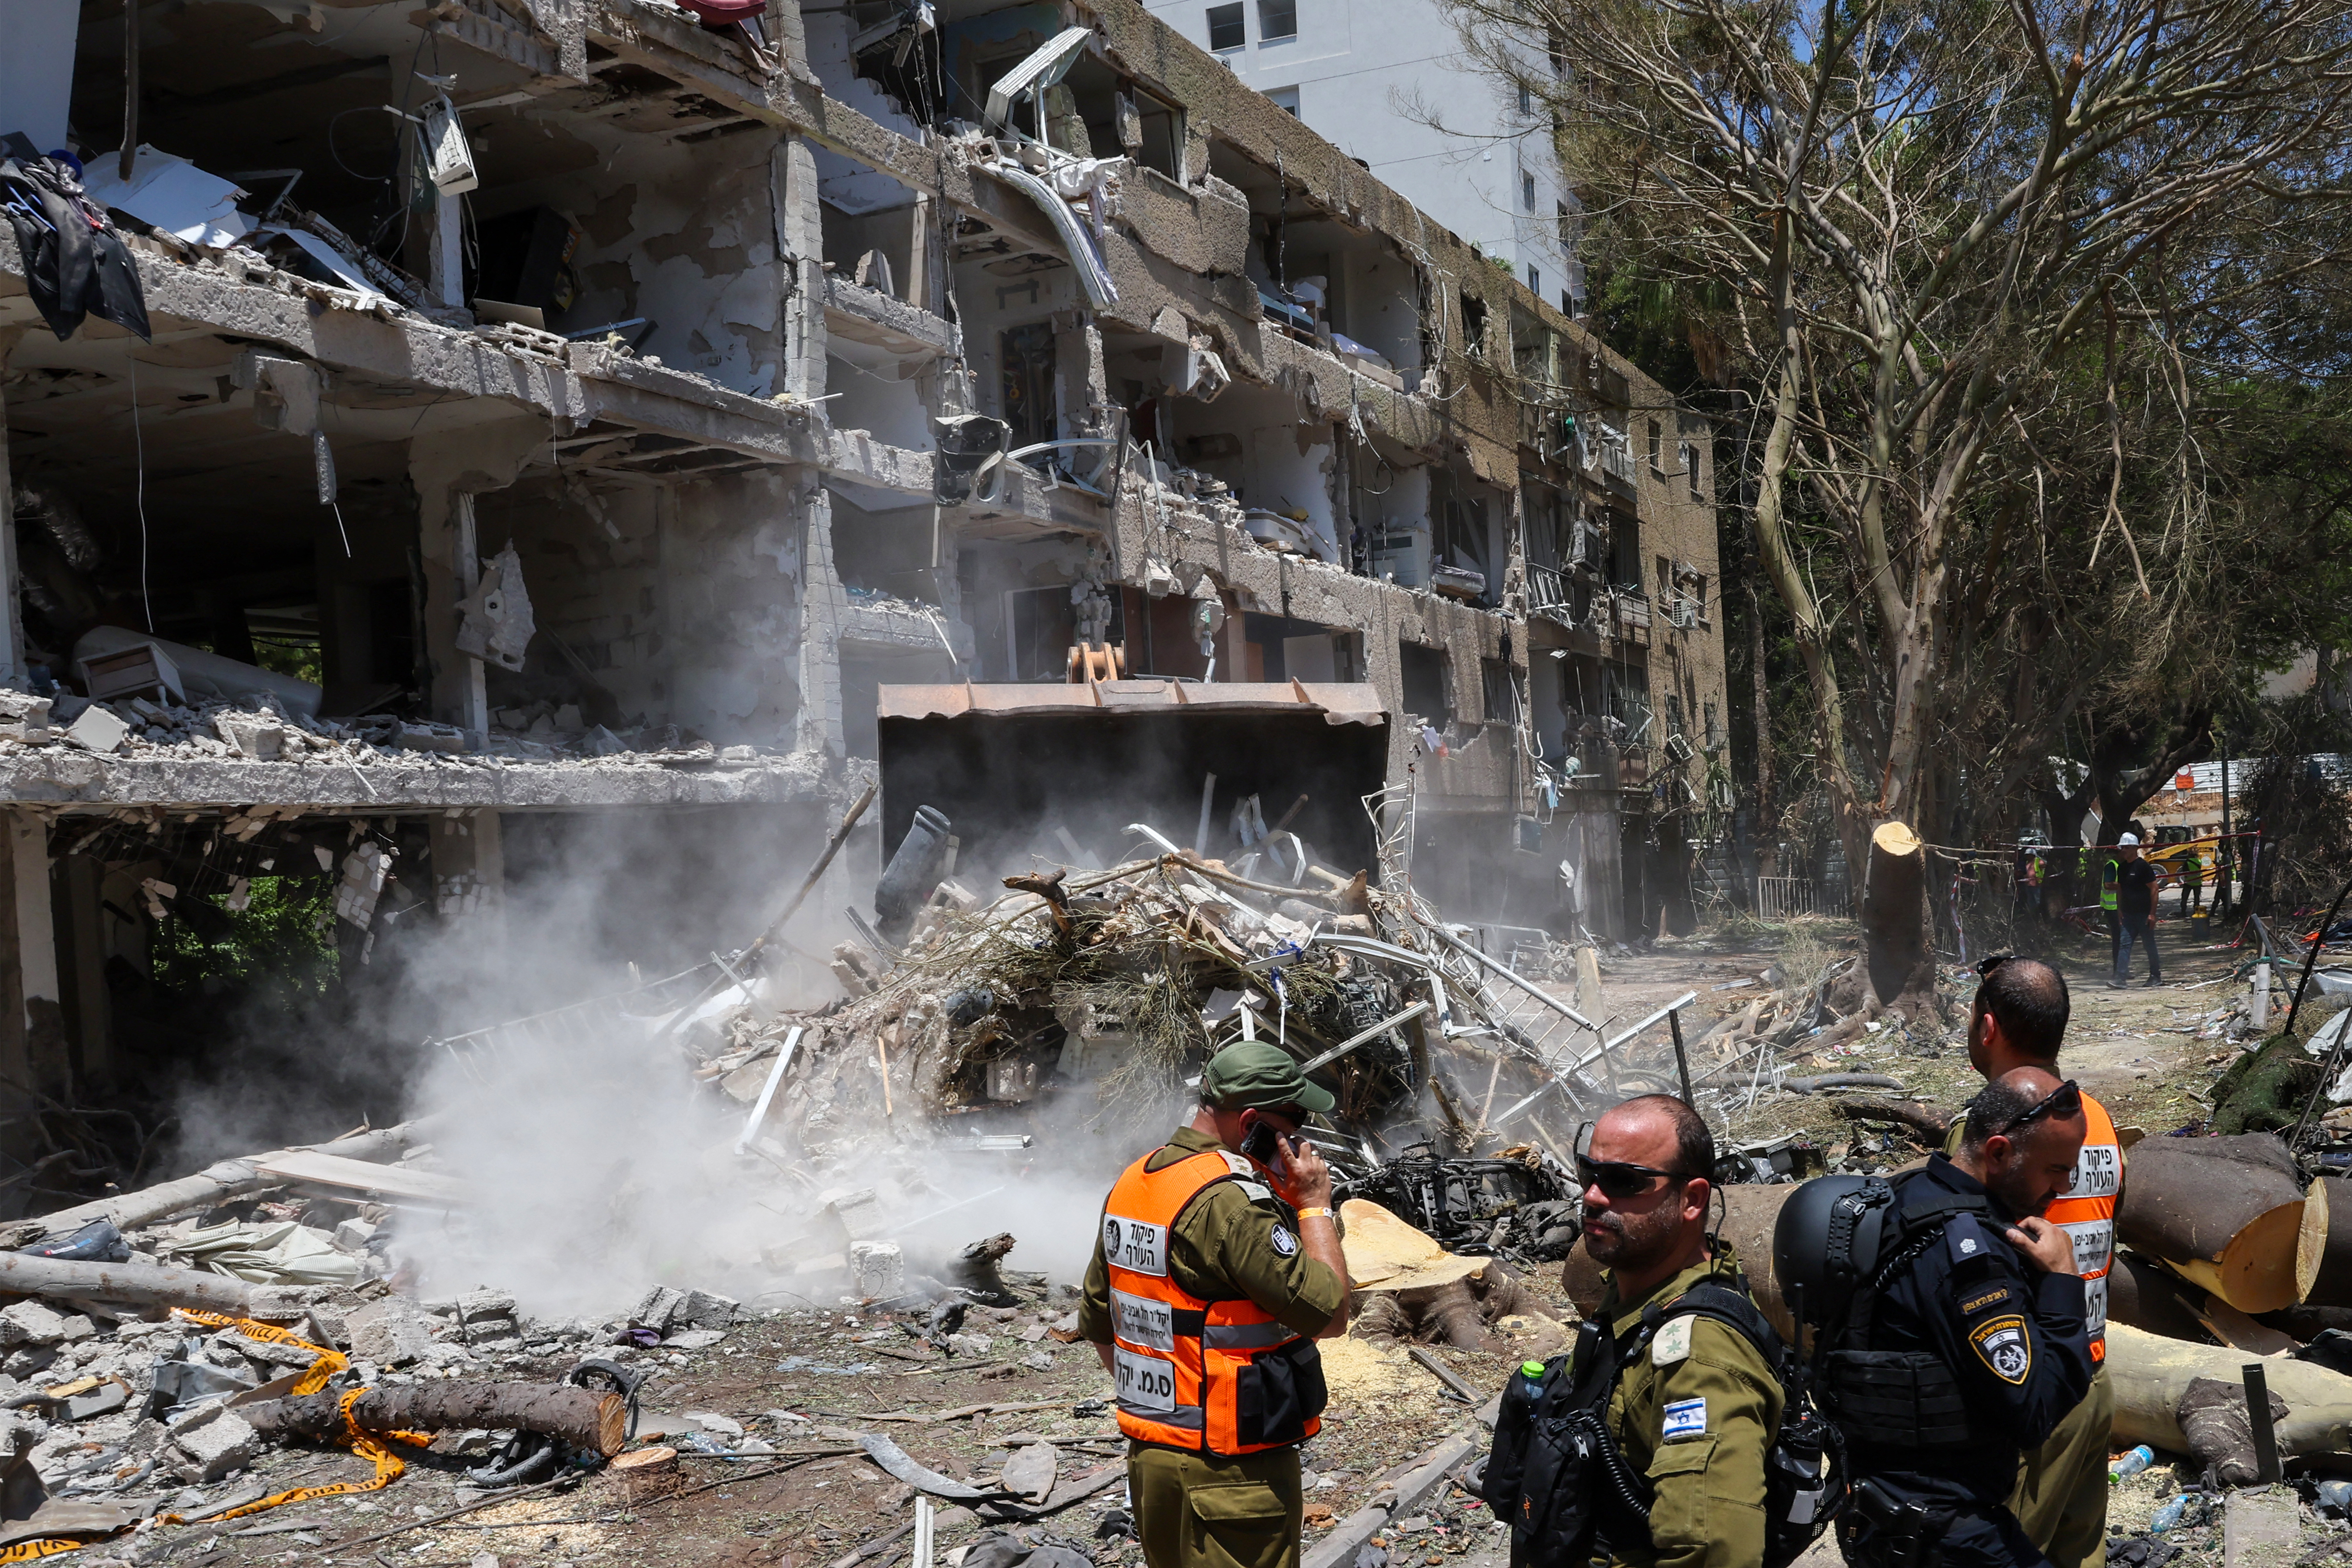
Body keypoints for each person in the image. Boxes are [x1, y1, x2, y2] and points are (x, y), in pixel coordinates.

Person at [1079, 1042, 1350, 1568]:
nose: (1300, 1134)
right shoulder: (1231, 1203)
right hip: (1232, 1474)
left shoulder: (1135, 1181)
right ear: (1250, 1122)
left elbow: (1097, 1321)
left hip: (1153, 1461)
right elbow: (1331, 1313)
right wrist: (1314, 1207)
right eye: (1293, 1118)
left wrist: (1170, 1405)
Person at [1823, 1066, 2095, 1568]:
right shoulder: (1970, 1259)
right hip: (1941, 1533)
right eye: (2056, 1170)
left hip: (1888, 1514)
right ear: (1998, 1152)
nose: (2061, 1189)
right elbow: (2035, 1412)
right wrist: (2061, 1282)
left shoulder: (1910, 1197)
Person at [1943, 959, 2118, 1568]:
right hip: (2093, 1376)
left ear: (1987, 1027)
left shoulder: (1993, 1135)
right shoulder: (2096, 1121)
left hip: (2033, 1402)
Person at [1579, 1095, 1785, 1568]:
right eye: (1589, 1172)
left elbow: (1716, 1553)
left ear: (1691, 1200)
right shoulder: (1637, 1296)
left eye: (1623, 1181)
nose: (1593, 1195)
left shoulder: (1699, 1358)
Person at [2111, 834, 2167, 988]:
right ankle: (2120, 978)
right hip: (2128, 915)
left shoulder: (2143, 867)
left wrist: (2152, 914)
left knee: (2149, 945)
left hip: (2144, 915)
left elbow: (2154, 889)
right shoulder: (2122, 868)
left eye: (2127, 848)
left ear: (2136, 849)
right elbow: (2120, 889)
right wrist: (2120, 910)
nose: (2124, 851)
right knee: (2124, 945)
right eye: (2122, 847)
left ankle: (2155, 976)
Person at [2179, 847, 2204, 919]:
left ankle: (2183, 913)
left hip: (2189, 882)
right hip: (2198, 882)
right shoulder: (2199, 861)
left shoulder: (2187, 862)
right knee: (2197, 899)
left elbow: (2185, 872)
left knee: (2185, 898)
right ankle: (2196, 913)